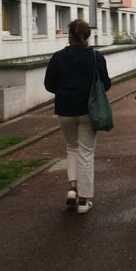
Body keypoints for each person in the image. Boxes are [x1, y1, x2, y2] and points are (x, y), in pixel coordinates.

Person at [44, 19, 111, 214]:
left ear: (69, 36)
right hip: (88, 111)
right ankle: (84, 200)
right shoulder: (96, 57)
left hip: (64, 110)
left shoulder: (58, 57)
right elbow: (105, 84)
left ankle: (72, 187)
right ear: (88, 36)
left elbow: (49, 85)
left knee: (71, 148)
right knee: (86, 153)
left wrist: (65, 91)